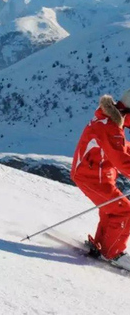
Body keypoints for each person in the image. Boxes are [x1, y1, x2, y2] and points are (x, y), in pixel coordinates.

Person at [71, 90, 130, 269]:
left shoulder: (111, 121)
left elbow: (121, 147)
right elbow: (121, 159)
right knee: (124, 211)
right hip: (90, 177)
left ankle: (103, 245)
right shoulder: (109, 127)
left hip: (98, 174)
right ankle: (112, 253)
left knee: (112, 210)